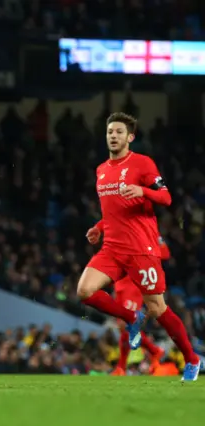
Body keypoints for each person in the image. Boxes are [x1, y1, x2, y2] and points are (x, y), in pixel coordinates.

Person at [79, 112, 201, 382]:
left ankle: (192, 359)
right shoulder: (101, 170)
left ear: (130, 137)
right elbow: (113, 210)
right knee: (85, 291)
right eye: (110, 131)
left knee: (157, 308)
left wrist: (143, 191)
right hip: (112, 247)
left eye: (119, 132)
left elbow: (167, 198)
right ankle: (132, 318)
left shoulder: (142, 163)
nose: (113, 135)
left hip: (140, 249)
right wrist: (99, 227)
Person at [110, 235, 170, 376]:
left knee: (126, 325)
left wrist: (158, 239)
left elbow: (165, 255)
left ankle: (154, 351)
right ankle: (121, 368)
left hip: (133, 286)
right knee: (123, 328)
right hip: (120, 285)